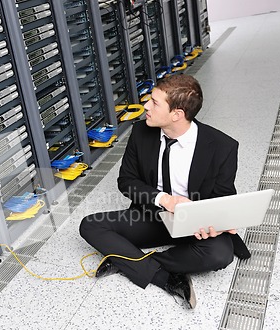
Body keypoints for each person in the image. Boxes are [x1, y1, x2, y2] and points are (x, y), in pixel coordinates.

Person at [79, 74, 250, 309]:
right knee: (91, 225)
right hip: (153, 214)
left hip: (193, 221)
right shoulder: (141, 132)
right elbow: (126, 181)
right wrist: (164, 200)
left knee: (220, 255)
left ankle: (128, 261)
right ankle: (166, 278)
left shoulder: (222, 146)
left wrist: (211, 221)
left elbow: (222, 195)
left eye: (155, 102)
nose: (146, 106)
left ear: (177, 114)